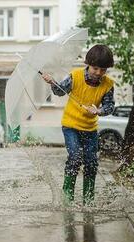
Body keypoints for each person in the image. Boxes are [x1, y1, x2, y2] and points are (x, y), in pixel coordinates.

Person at [42, 44, 115, 205]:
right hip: (71, 126)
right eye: (95, 68)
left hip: (90, 128)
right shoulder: (75, 76)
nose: (98, 73)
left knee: (91, 162)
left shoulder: (108, 84)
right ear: (87, 64)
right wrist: (52, 82)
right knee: (75, 157)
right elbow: (59, 91)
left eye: (103, 70)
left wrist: (99, 110)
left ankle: (88, 200)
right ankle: (67, 199)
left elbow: (110, 106)